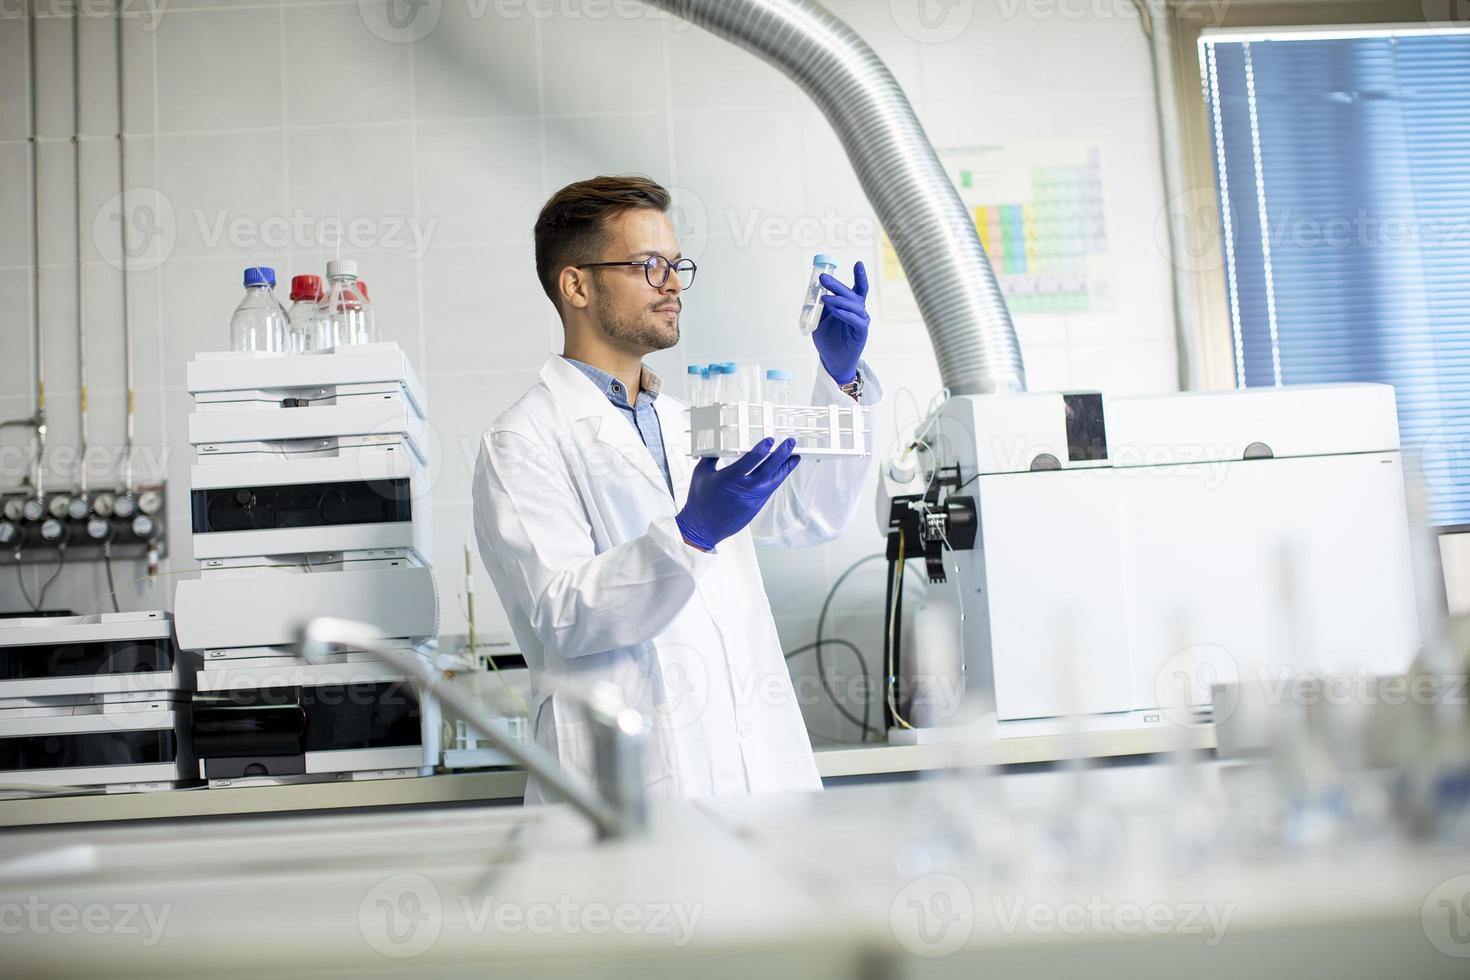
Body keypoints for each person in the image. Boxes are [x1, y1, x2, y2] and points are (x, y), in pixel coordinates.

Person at [472, 174, 881, 802]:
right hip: (629, 790)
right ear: (576, 284)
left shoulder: (695, 423)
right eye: (647, 265)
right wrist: (690, 534)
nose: (671, 284)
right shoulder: (523, 441)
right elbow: (563, 616)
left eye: (675, 265)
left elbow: (811, 514)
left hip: (754, 777)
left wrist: (840, 379)